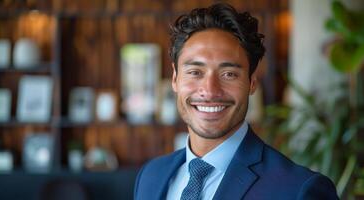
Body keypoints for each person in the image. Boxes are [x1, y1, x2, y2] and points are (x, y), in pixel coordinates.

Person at [134, 3, 338, 200]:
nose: (210, 90)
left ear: (251, 83)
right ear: (175, 79)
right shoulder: (151, 176)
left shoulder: (298, 190)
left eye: (229, 74)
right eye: (195, 72)